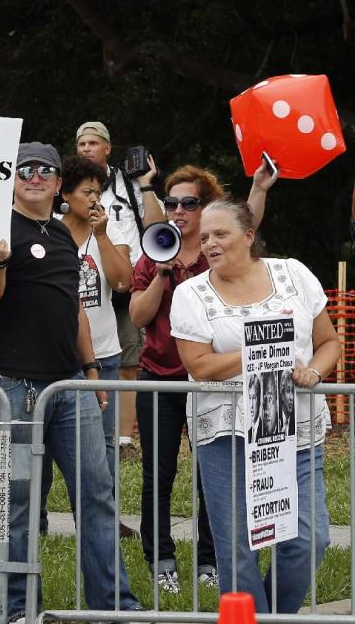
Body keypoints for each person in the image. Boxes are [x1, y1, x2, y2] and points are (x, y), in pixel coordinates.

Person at [0, 141, 141, 621]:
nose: (34, 176)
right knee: (18, 500)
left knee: (98, 493)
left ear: (57, 183)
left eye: (45, 169)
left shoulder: (67, 237)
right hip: (13, 386)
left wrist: (90, 373)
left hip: (69, 386)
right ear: (11, 177)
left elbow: (75, 312)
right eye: (24, 168)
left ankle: (114, 606)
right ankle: (17, 609)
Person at [171, 197, 338, 613]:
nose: (209, 243)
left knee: (308, 538)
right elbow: (199, 364)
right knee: (237, 549)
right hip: (226, 435)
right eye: (204, 236)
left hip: (295, 429)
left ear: (248, 236)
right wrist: (257, 351)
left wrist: (313, 373)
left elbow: (328, 342)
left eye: (220, 234)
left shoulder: (294, 274)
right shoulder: (190, 293)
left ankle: (275, 618)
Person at [128, 164, 221, 592]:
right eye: (171, 204)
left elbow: (251, 223)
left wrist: (259, 187)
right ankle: (161, 557)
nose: (178, 211)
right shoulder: (151, 256)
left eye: (189, 203)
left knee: (210, 473)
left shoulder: (215, 256)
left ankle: (209, 559)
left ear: (206, 208)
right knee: (158, 474)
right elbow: (138, 317)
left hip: (208, 380)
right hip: (160, 379)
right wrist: (162, 274)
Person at [75, 121, 163, 450]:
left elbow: (157, 225)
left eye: (93, 143)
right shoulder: (67, 186)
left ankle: (122, 440)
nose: (86, 149)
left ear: (108, 148)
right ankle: (86, 431)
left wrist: (146, 185)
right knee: (84, 359)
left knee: (127, 364)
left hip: (128, 282)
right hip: (87, 282)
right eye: (81, 144)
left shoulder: (127, 183)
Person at [59, 156, 132, 481]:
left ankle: (108, 518)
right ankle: (39, 517)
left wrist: (101, 236)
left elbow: (122, 282)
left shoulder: (109, 228)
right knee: (45, 441)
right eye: (87, 191)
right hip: (59, 355)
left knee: (105, 442)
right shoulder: (49, 231)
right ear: (65, 194)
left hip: (104, 354)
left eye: (98, 192)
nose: (94, 199)